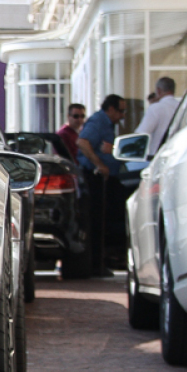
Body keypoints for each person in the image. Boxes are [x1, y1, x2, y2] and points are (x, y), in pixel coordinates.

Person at [78, 95, 127, 277]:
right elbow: (82, 142)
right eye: (121, 111)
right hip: (95, 178)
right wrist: (100, 164)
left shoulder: (107, 124)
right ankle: (95, 265)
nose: (122, 116)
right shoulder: (99, 121)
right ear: (111, 109)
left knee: (105, 220)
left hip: (106, 177)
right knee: (97, 221)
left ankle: (100, 262)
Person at [134, 77, 180, 158]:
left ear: (158, 90)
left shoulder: (155, 108)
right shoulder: (182, 107)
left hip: (157, 156)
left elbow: (142, 133)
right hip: (178, 155)